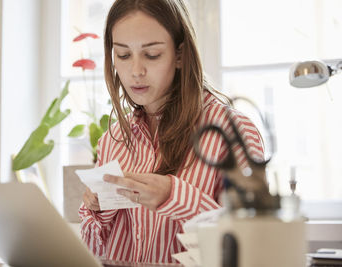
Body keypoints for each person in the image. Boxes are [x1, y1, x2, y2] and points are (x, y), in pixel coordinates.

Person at [79, 0, 264, 263]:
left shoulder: (233, 132)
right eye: (123, 55)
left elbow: (251, 249)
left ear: (180, 55)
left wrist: (175, 197)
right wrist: (98, 210)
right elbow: (94, 254)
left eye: (151, 55)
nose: (135, 71)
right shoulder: (113, 141)